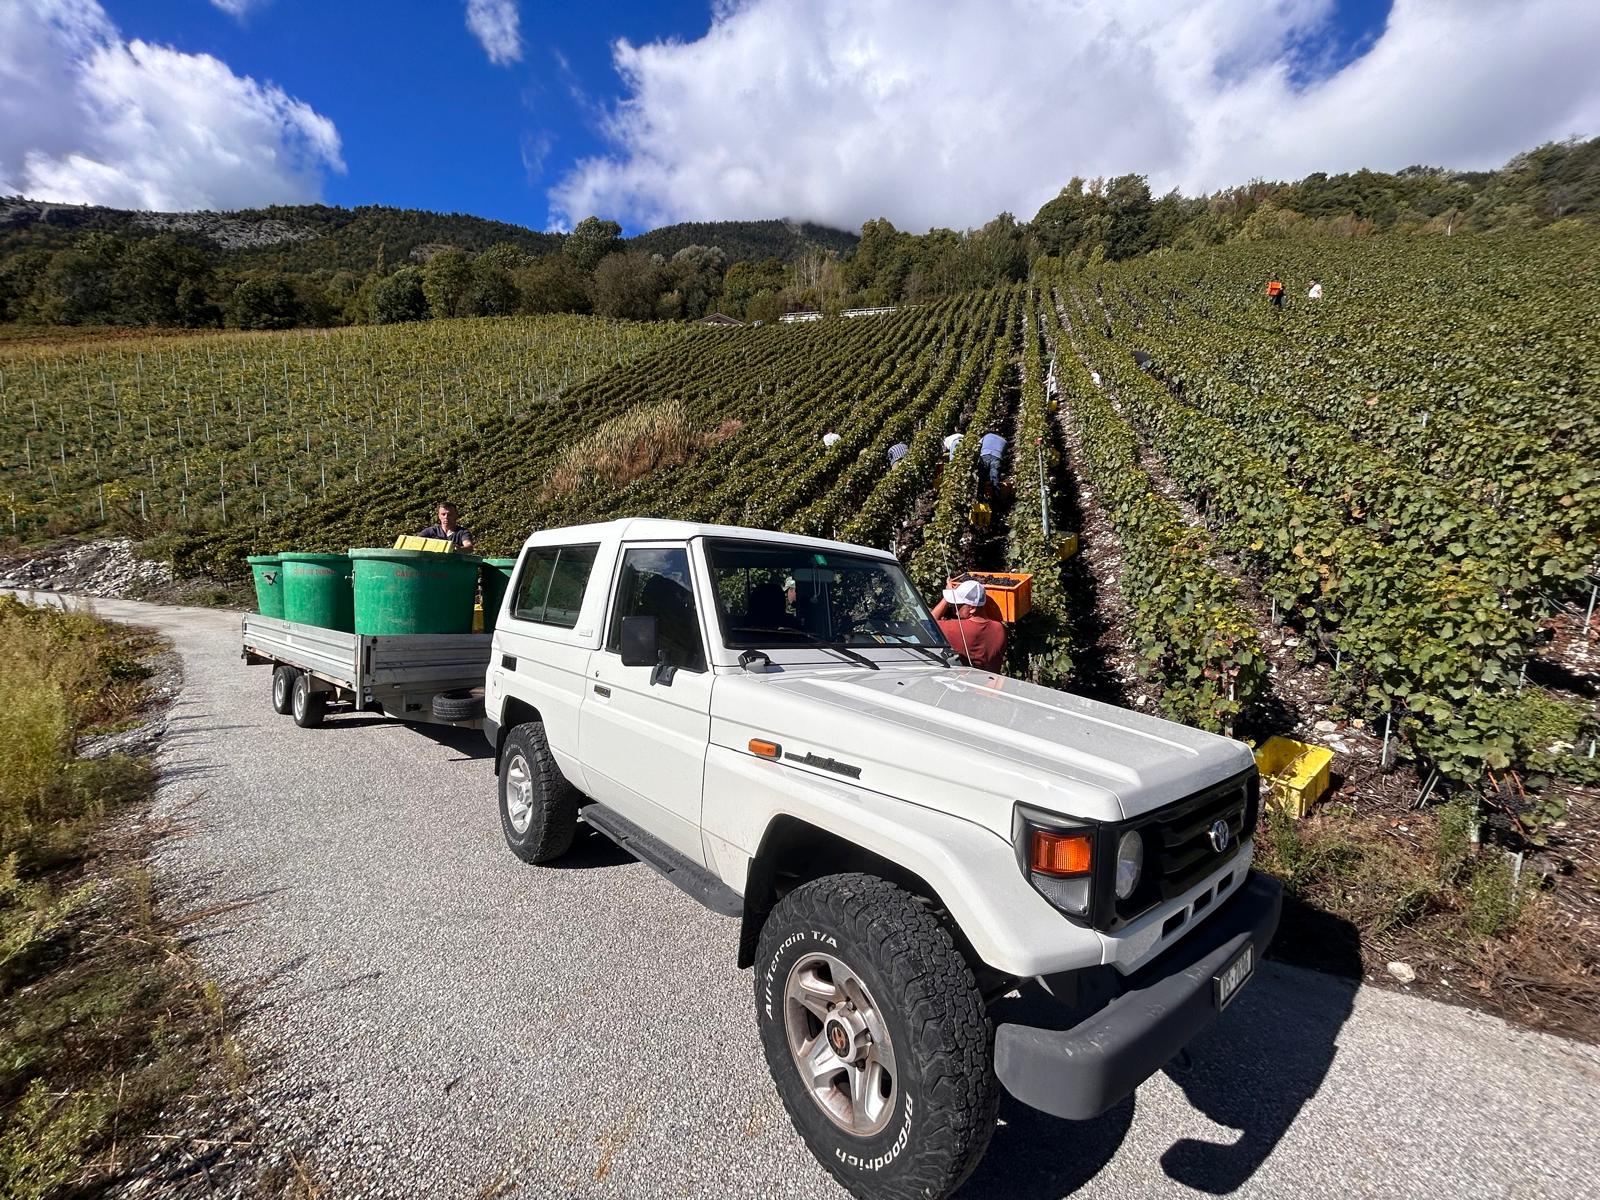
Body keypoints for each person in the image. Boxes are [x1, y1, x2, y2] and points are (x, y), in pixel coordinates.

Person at [931, 577, 1006, 672]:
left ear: (972, 608)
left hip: (968, 684)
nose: (955, 608)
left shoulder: (957, 629)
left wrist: (946, 599)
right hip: (992, 683)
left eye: (958, 605)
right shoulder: (1000, 628)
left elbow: (928, 624)